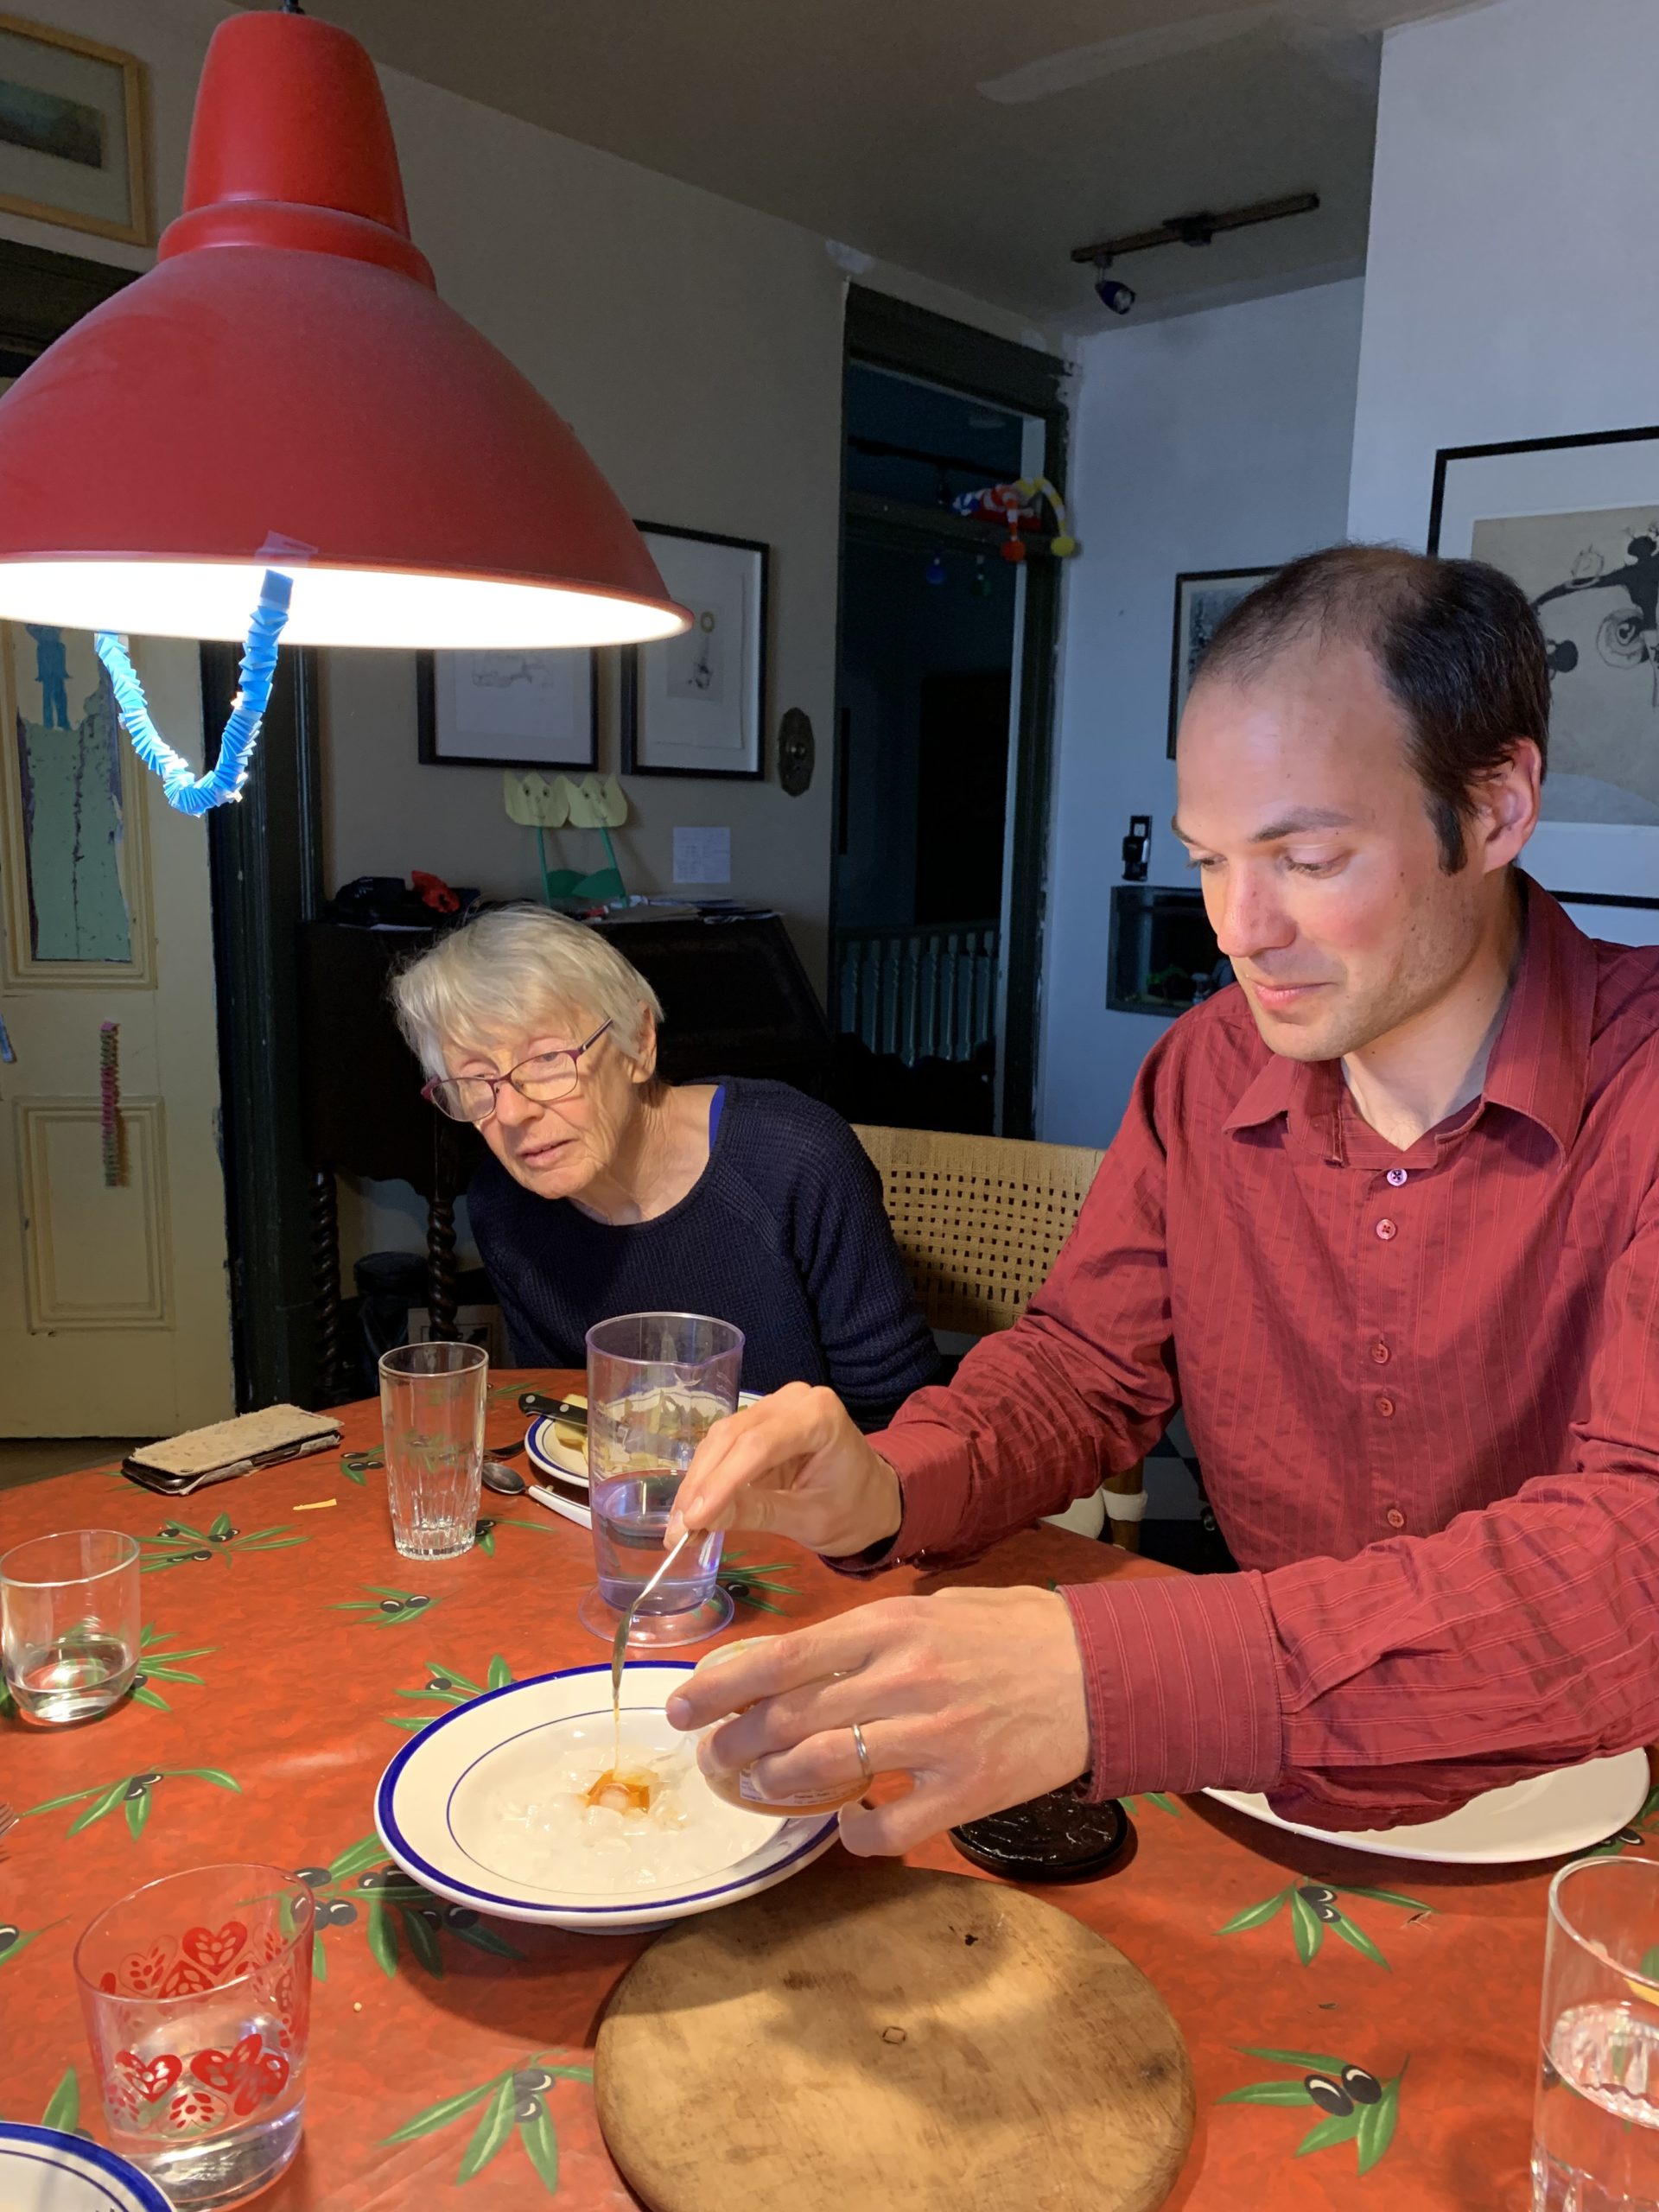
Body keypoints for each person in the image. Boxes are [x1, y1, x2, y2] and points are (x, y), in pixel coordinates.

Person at [666, 543, 1659, 1857]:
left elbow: (1634, 1553)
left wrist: (1108, 1675)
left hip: (1608, 1801)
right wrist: (886, 1487)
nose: (1239, 928)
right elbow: (1084, 1370)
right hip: (1276, 1769)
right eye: (1209, 860)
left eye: (1309, 858)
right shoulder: (1207, 1071)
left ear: (1493, 808)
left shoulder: (1640, 1084)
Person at [391, 906, 942, 1427]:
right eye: (474, 1081)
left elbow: (901, 1425)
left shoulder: (795, 1159)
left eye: (547, 1059)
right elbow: (565, 1414)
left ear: (639, 1043)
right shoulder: (504, 1208)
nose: (512, 1113)